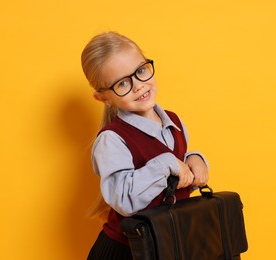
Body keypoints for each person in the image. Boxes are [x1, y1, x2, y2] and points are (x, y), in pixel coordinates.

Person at [81, 31, 209, 260]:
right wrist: (167, 165)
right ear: (104, 98)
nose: (138, 86)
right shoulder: (112, 140)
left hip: (169, 244)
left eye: (140, 71)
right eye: (122, 83)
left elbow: (177, 165)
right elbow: (125, 200)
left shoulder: (174, 121)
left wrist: (194, 160)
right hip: (128, 251)